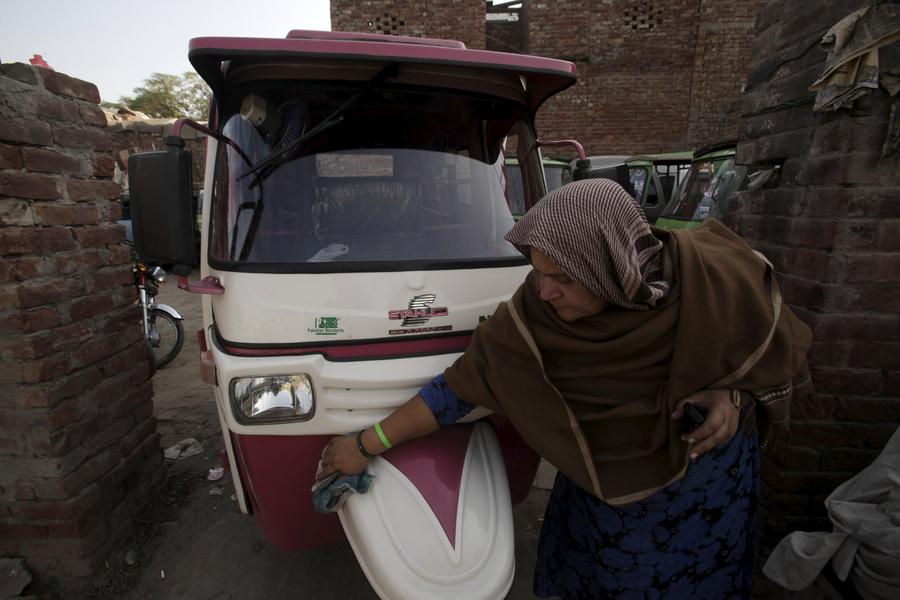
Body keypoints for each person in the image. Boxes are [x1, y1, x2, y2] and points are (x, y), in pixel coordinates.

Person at [317, 178, 813, 599]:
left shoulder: (714, 279)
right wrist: (365, 444)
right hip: (604, 497)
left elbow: (768, 351)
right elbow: (458, 388)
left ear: (612, 268)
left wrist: (735, 394)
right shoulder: (536, 317)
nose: (545, 290)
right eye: (538, 272)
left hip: (704, 500)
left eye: (563, 279)